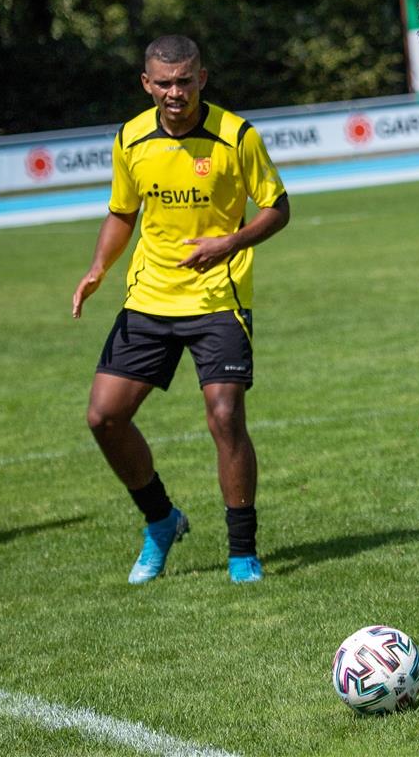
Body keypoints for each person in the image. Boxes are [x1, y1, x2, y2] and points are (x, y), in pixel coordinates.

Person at [72, 35, 290, 584]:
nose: (175, 92)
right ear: (147, 84)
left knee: (224, 416)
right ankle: (161, 519)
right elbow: (122, 212)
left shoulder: (236, 136)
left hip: (219, 297)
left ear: (202, 78)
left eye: (185, 80)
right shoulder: (131, 138)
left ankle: (242, 551)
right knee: (104, 416)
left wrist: (228, 244)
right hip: (150, 297)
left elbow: (277, 208)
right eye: (164, 83)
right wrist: (98, 267)